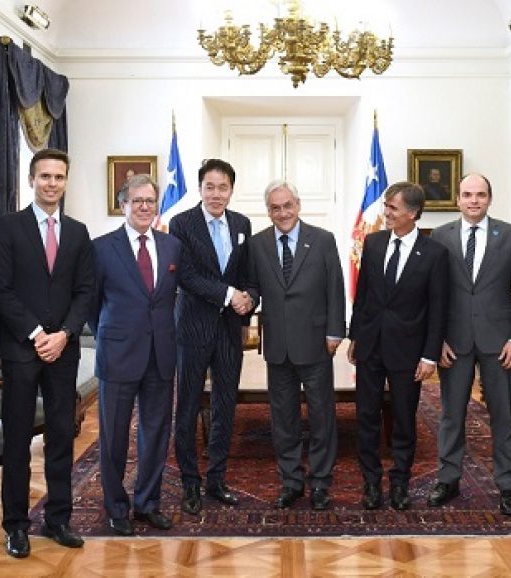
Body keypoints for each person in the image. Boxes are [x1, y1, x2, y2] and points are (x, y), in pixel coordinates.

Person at [0, 148, 94, 558]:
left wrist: (65, 334)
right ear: (32, 179)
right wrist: (37, 333)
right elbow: (0, 288)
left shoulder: (78, 232)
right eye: (45, 176)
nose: (52, 183)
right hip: (22, 349)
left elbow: (85, 291)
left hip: (63, 352)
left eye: (59, 177)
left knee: (61, 437)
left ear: (66, 181)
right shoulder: (8, 227)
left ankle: (58, 519)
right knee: (17, 440)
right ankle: (16, 525)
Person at [429, 173, 511, 516]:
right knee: (451, 414)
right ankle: (448, 479)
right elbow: (432, 293)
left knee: (503, 416)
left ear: (490, 198)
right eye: (468, 194)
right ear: (457, 199)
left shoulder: (509, 235)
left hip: (499, 343)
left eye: (481, 194)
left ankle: (507, 485)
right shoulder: (440, 236)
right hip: (454, 341)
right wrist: (437, 339)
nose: (474, 200)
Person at [348, 182, 449, 510]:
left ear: (412, 213)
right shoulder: (374, 243)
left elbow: (438, 309)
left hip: (408, 350)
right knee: (366, 416)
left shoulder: (434, 254)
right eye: (386, 206)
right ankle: (371, 482)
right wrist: (355, 336)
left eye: (393, 208)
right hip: (370, 345)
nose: (386, 213)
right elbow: (363, 294)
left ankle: (400, 482)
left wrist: (430, 355)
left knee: (404, 419)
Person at [90, 174, 182, 536]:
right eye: (137, 200)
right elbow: (91, 304)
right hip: (117, 354)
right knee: (113, 437)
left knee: (156, 433)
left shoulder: (172, 246)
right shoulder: (101, 248)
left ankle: (147, 504)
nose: (145, 207)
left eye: (150, 201)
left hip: (161, 354)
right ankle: (116, 508)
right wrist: (112, 334)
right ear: (123, 205)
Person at [246, 180, 345, 510]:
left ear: (298, 205)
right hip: (278, 346)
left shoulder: (322, 239)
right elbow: (254, 287)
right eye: (275, 208)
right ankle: (291, 481)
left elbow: (335, 287)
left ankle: (321, 482)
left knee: (321, 416)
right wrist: (246, 301)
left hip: (316, 343)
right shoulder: (258, 244)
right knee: (283, 419)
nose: (283, 212)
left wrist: (335, 331)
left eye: (288, 205)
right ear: (268, 211)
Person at [169, 159, 252, 515]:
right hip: (193, 328)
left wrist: (249, 301)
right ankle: (190, 482)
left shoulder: (242, 224)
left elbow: (247, 275)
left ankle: (217, 480)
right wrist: (229, 295)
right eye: (210, 187)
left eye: (223, 187)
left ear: (231, 190)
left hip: (230, 330)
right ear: (200, 188)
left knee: (225, 406)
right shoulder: (181, 223)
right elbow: (185, 276)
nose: (216, 194)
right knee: (188, 407)